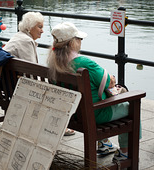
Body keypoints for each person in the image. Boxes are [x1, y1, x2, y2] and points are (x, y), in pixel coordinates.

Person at [47, 22, 141, 161]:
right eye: (79, 39)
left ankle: (104, 143)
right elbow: (109, 82)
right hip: (94, 115)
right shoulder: (84, 62)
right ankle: (125, 152)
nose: (80, 41)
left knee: (93, 94)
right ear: (72, 43)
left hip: (73, 113)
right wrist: (112, 80)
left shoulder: (53, 61)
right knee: (130, 106)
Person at [3, 12, 75, 136]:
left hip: (6, 86)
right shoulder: (26, 41)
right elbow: (31, 73)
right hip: (19, 88)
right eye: (39, 27)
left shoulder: (18, 37)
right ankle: (57, 128)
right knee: (59, 91)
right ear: (29, 27)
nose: (42, 31)